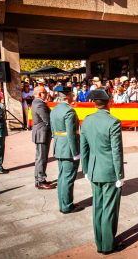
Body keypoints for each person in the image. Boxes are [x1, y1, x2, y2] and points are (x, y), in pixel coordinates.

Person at [81, 87, 125, 255]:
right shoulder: (113, 122)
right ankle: (107, 245)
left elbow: (83, 147)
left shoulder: (87, 120)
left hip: (93, 169)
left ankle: (100, 241)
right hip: (109, 170)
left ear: (95, 104)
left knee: (97, 207)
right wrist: (120, 175)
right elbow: (116, 151)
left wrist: (85, 169)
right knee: (109, 208)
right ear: (109, 102)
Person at [50, 85, 84, 214]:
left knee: (62, 177)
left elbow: (53, 130)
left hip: (59, 145)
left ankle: (64, 202)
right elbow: (71, 134)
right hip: (69, 148)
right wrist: (75, 152)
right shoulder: (69, 111)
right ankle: (67, 205)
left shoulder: (54, 109)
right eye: (72, 94)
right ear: (68, 96)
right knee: (68, 178)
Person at [31, 86, 55, 190]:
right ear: (40, 94)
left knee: (40, 157)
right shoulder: (40, 104)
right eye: (45, 92)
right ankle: (41, 180)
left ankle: (39, 179)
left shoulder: (37, 102)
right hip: (42, 134)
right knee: (42, 158)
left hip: (40, 133)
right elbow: (47, 120)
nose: (47, 94)